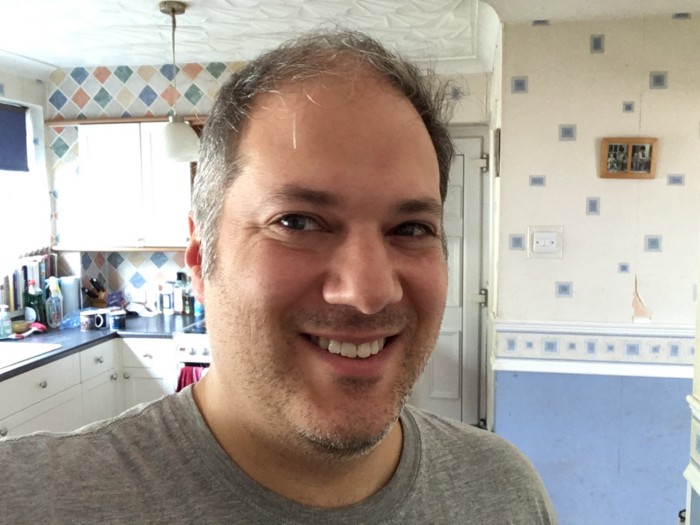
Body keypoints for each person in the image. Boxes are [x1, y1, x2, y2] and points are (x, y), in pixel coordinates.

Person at [0, 30, 556, 523]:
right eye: (297, 222)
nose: (368, 293)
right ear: (200, 257)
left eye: (411, 228)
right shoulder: (30, 502)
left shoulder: (504, 491)